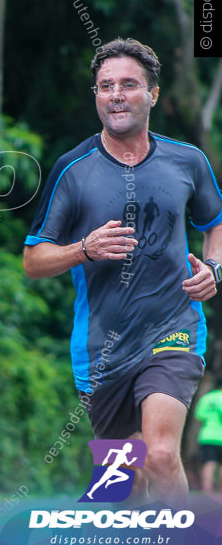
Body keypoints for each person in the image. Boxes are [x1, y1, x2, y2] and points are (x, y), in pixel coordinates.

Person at [22, 38, 222, 508]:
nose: (115, 94)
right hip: (102, 346)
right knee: (120, 484)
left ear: (152, 94)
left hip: (174, 328)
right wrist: (83, 249)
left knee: (157, 455)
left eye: (128, 85)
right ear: (95, 96)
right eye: (105, 86)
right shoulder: (73, 169)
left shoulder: (186, 161)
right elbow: (33, 260)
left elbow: (216, 223)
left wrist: (215, 267)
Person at [195, 383, 222, 494]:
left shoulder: (206, 398)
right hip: (220, 435)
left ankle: (207, 490)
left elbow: (199, 417)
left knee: (209, 462)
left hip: (207, 435)